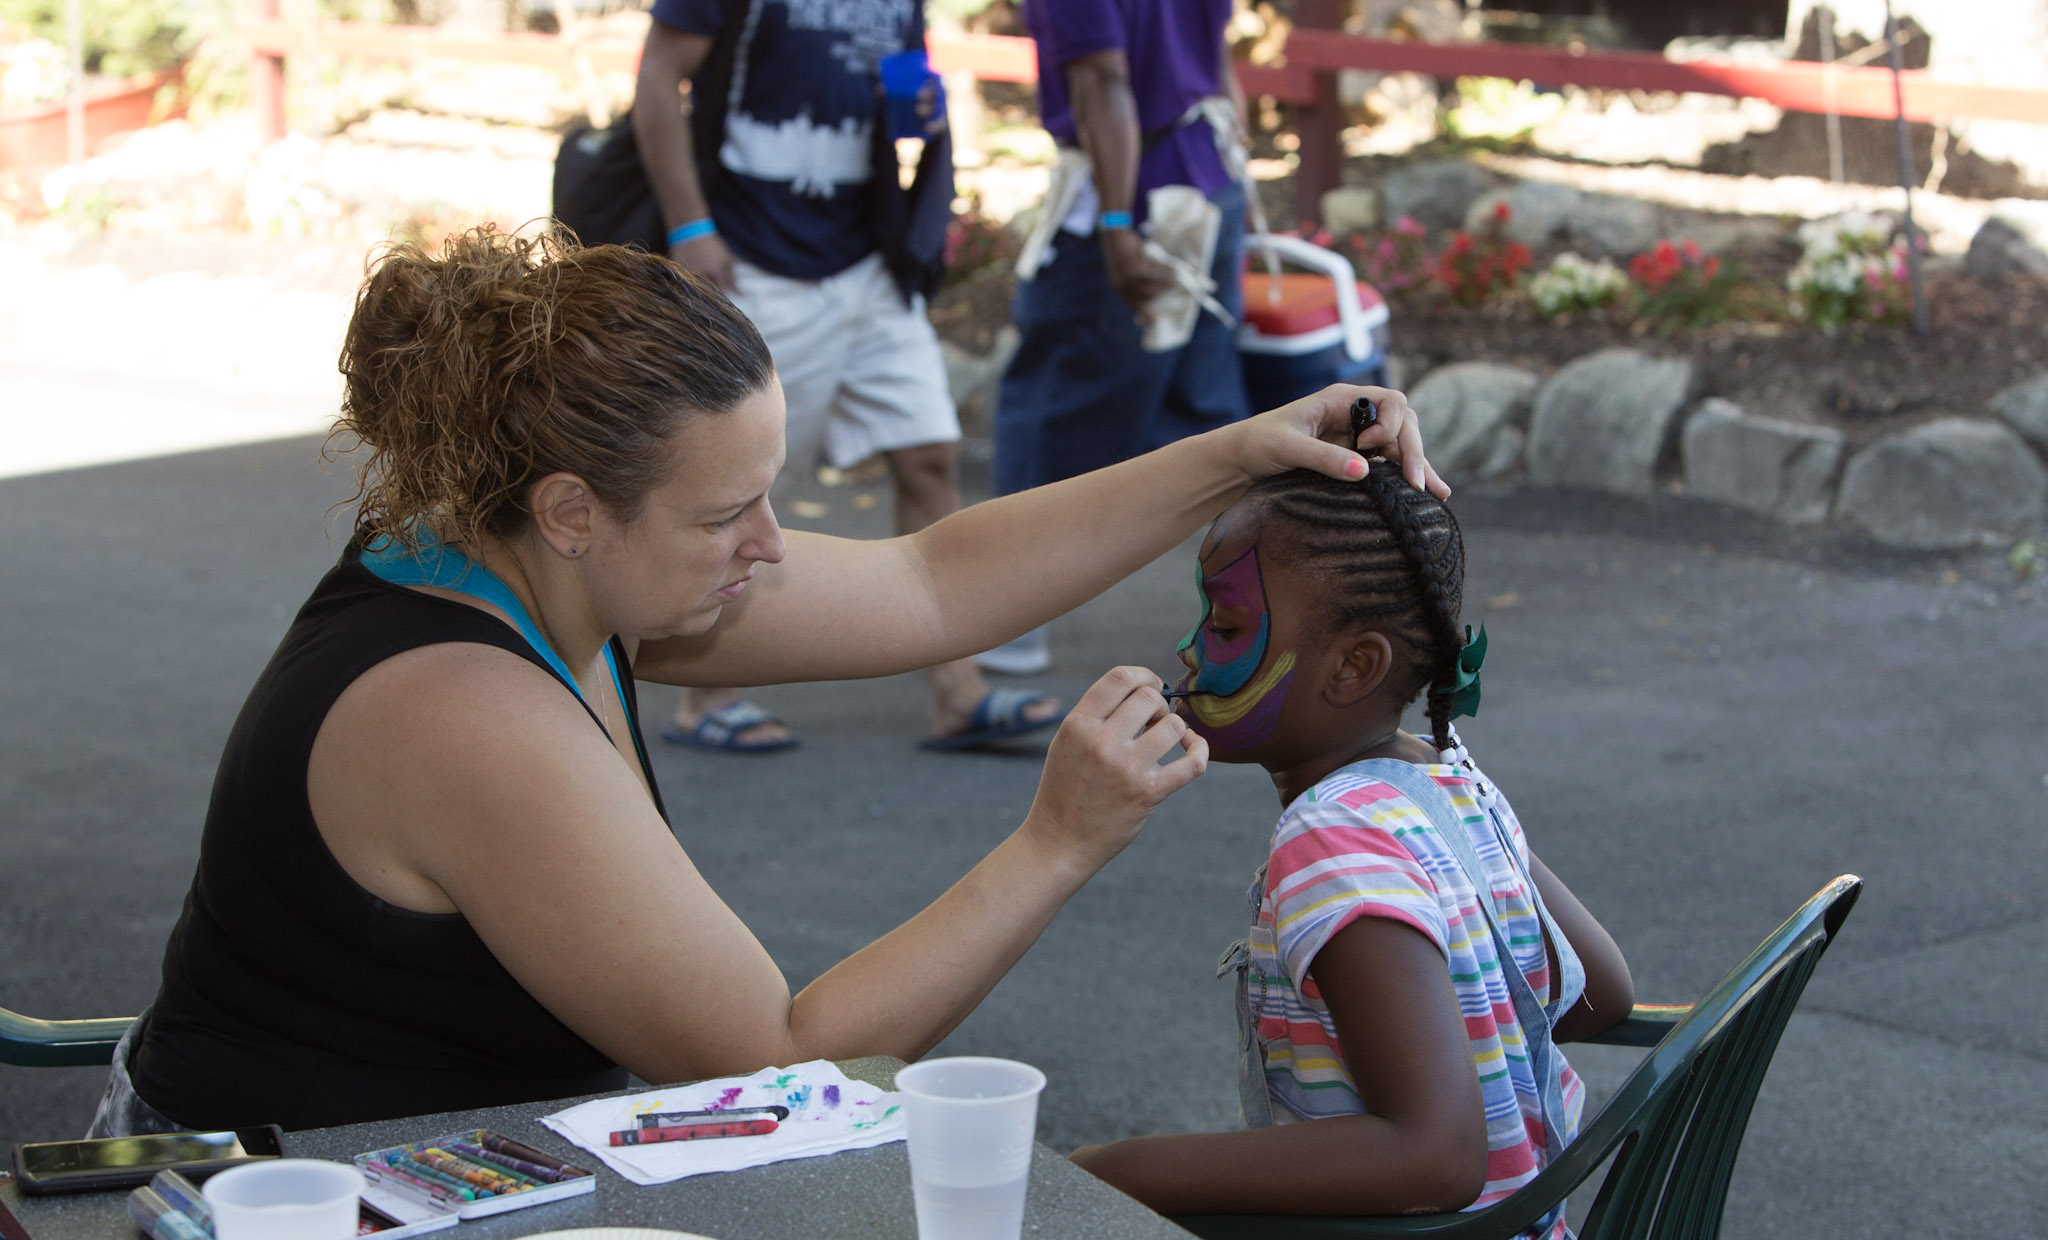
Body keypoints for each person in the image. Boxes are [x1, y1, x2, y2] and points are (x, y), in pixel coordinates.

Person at [88, 228, 1441, 1137]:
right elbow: (776, 1059)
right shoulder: (462, 708)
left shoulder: (545, 565)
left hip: (450, 1173)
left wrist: (1241, 451)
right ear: (573, 508)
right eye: (727, 511)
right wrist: (1055, 841)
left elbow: (930, 585)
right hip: (268, 1234)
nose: (771, 545)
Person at [1067, 463, 1633, 1240]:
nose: (1187, 650)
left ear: (1355, 665)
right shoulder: (1448, 777)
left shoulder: (1332, 838)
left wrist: (1118, 1170)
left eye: (1226, 625)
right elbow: (1598, 991)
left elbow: (1436, 1157)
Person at [630, 0, 1058, 752]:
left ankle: (957, 693)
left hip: (870, 259)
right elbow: (660, 73)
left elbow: (902, 86)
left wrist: (920, 111)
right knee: (743, 472)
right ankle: (708, 697)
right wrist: (690, 225)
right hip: (756, 256)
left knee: (931, 451)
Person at [981, 0, 1254, 677]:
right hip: (1208, 176)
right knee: (1210, 416)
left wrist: (1113, 220)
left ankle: (1002, 618)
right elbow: (1216, 57)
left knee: (1053, 411)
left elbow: (1102, 81)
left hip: (1132, 194)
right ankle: (1260, 623)